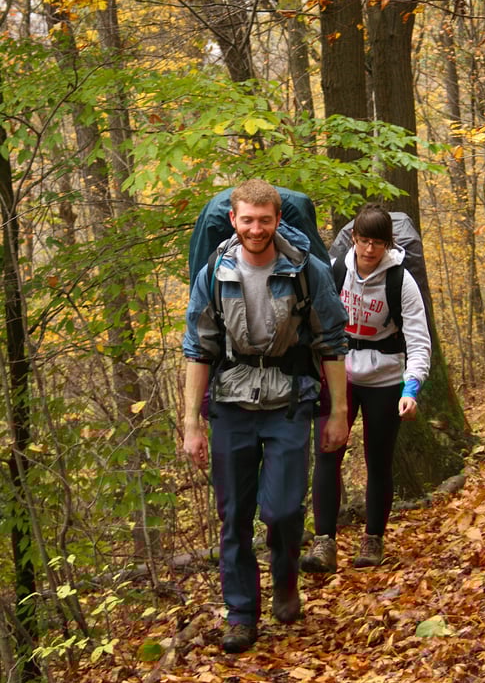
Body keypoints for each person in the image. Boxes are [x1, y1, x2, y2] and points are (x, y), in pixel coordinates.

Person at [183, 179, 348, 653]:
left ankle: (284, 580)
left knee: (281, 510)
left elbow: (332, 343)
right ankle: (240, 613)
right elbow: (198, 348)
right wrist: (192, 422)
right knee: (234, 516)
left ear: (278, 221)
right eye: (247, 220)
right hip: (231, 404)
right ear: (233, 221)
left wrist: (337, 413)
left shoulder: (306, 270)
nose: (256, 229)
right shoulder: (214, 272)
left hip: (289, 402)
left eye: (265, 220)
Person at [301, 204, 431, 574]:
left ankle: (373, 539)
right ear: (353, 239)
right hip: (338, 372)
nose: (369, 250)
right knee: (328, 452)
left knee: (378, 458)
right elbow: (317, 320)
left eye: (377, 243)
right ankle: (325, 542)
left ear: (388, 244)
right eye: (363, 241)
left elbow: (419, 340)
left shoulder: (400, 281)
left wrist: (412, 387)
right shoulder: (338, 269)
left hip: (385, 378)